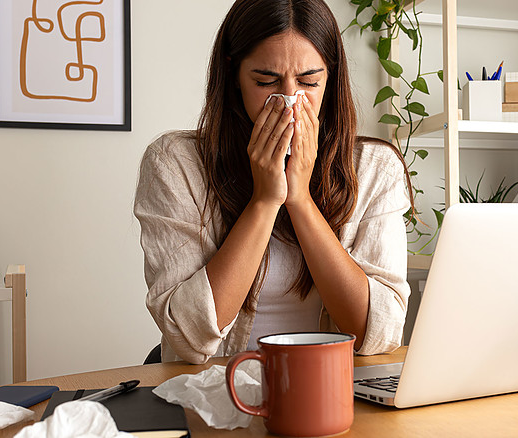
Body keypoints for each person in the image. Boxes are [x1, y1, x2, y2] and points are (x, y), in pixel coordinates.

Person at [134, 0, 413, 364]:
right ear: (235, 77)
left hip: (323, 389)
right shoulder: (176, 163)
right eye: (266, 81)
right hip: (213, 387)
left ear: (330, 78)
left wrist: (300, 200)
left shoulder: (375, 167)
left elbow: (379, 333)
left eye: (309, 82)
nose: (289, 101)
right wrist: (264, 201)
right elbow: (188, 338)